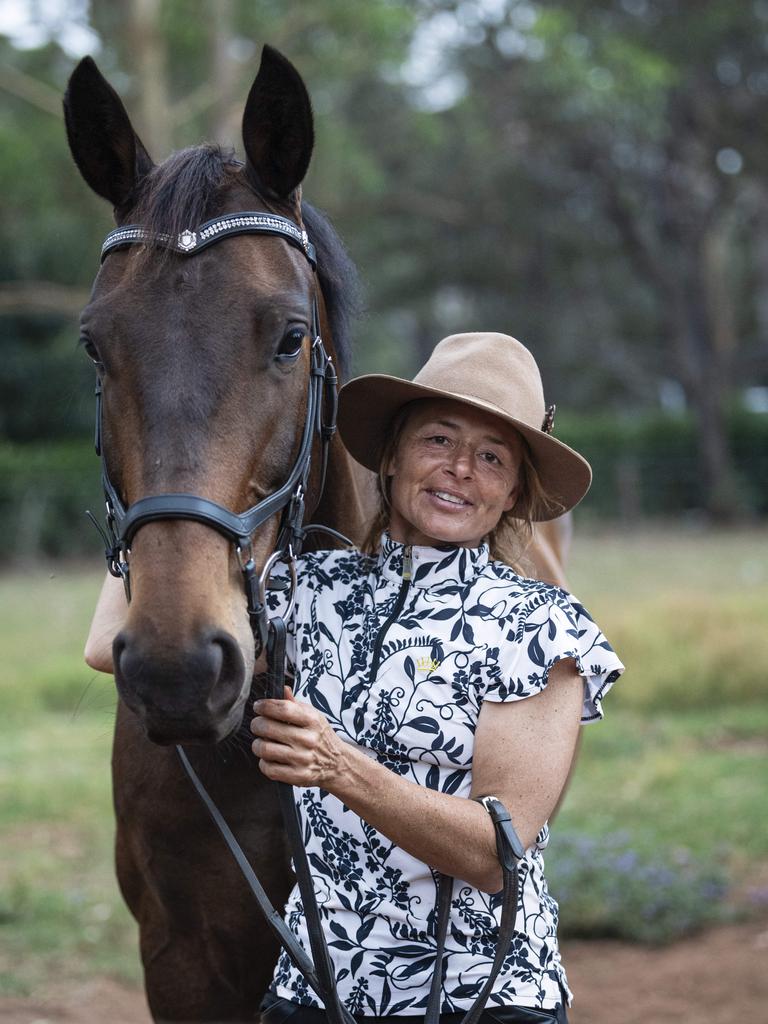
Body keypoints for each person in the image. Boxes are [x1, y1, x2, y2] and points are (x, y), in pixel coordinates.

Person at [250, 332, 625, 1023]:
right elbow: (112, 646)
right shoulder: (308, 588)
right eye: (438, 441)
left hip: (479, 996)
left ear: (514, 492)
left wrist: (337, 765)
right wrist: (170, 481)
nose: (459, 469)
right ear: (390, 456)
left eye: (491, 457)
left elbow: (494, 853)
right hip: (316, 987)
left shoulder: (541, 629)